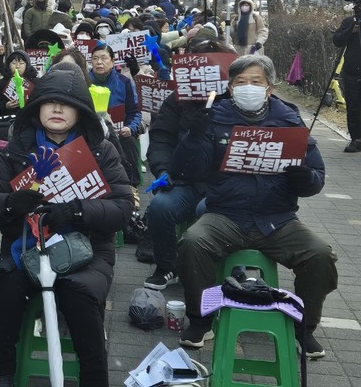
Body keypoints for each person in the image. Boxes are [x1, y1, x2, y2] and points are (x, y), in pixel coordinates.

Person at [0, 62, 133, 387]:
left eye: (68, 104)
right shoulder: (16, 151)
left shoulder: (101, 151)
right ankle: (0, 375)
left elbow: (122, 207)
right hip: (24, 250)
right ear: (36, 109)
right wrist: (11, 203)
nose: (58, 109)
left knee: (80, 294)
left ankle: (94, 380)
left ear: (82, 112)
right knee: (5, 291)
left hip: (89, 252)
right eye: (49, 102)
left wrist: (77, 211)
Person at [173, 54, 338, 357]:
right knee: (193, 242)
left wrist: (306, 179)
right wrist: (193, 137)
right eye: (240, 82)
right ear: (230, 87)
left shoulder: (289, 119)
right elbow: (187, 171)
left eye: (256, 81)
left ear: (270, 88)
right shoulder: (215, 117)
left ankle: (304, 328)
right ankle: (201, 320)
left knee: (319, 254)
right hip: (226, 215)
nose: (248, 87)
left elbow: (316, 176)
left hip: (278, 220)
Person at [142, 37, 236, 290]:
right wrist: (163, 170)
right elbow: (161, 138)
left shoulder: (235, 102)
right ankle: (167, 266)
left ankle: (213, 270)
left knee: (207, 210)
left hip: (225, 184)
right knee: (160, 206)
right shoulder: (177, 101)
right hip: (185, 181)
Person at [89, 43, 141, 186]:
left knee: (129, 141)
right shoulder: (83, 81)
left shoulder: (124, 82)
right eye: (95, 58)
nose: (99, 62)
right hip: (92, 132)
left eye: (104, 58)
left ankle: (131, 186)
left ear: (112, 61)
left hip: (119, 133)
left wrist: (130, 128)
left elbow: (134, 112)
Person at [334, 10, 361, 152]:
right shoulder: (350, 22)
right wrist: (351, 31)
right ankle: (356, 139)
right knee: (353, 107)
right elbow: (337, 40)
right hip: (352, 72)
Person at [0, 50, 43, 118]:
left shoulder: (36, 83)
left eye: (21, 63)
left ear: (27, 65)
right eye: (14, 63)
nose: (17, 66)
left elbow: (42, 104)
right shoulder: (1, 83)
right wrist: (6, 105)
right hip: (7, 120)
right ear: (9, 65)